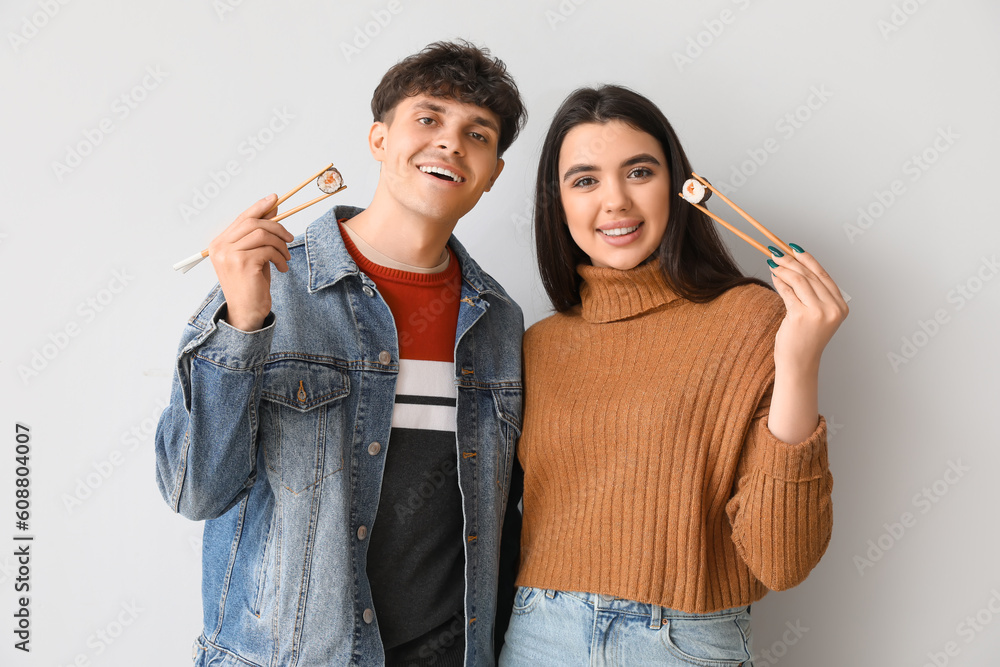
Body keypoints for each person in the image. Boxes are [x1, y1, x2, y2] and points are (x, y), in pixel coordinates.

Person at [155, 40, 527, 667]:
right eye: (428, 118)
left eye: (478, 134)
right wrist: (243, 324)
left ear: (491, 175)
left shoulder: (498, 322)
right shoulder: (268, 286)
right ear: (379, 139)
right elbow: (194, 493)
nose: (450, 143)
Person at [499, 85, 847, 666]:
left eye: (639, 172)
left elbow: (783, 561)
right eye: (584, 180)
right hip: (539, 633)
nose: (614, 201)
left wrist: (800, 361)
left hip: (680, 642)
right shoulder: (538, 343)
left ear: (680, 186)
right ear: (555, 202)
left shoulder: (751, 318)